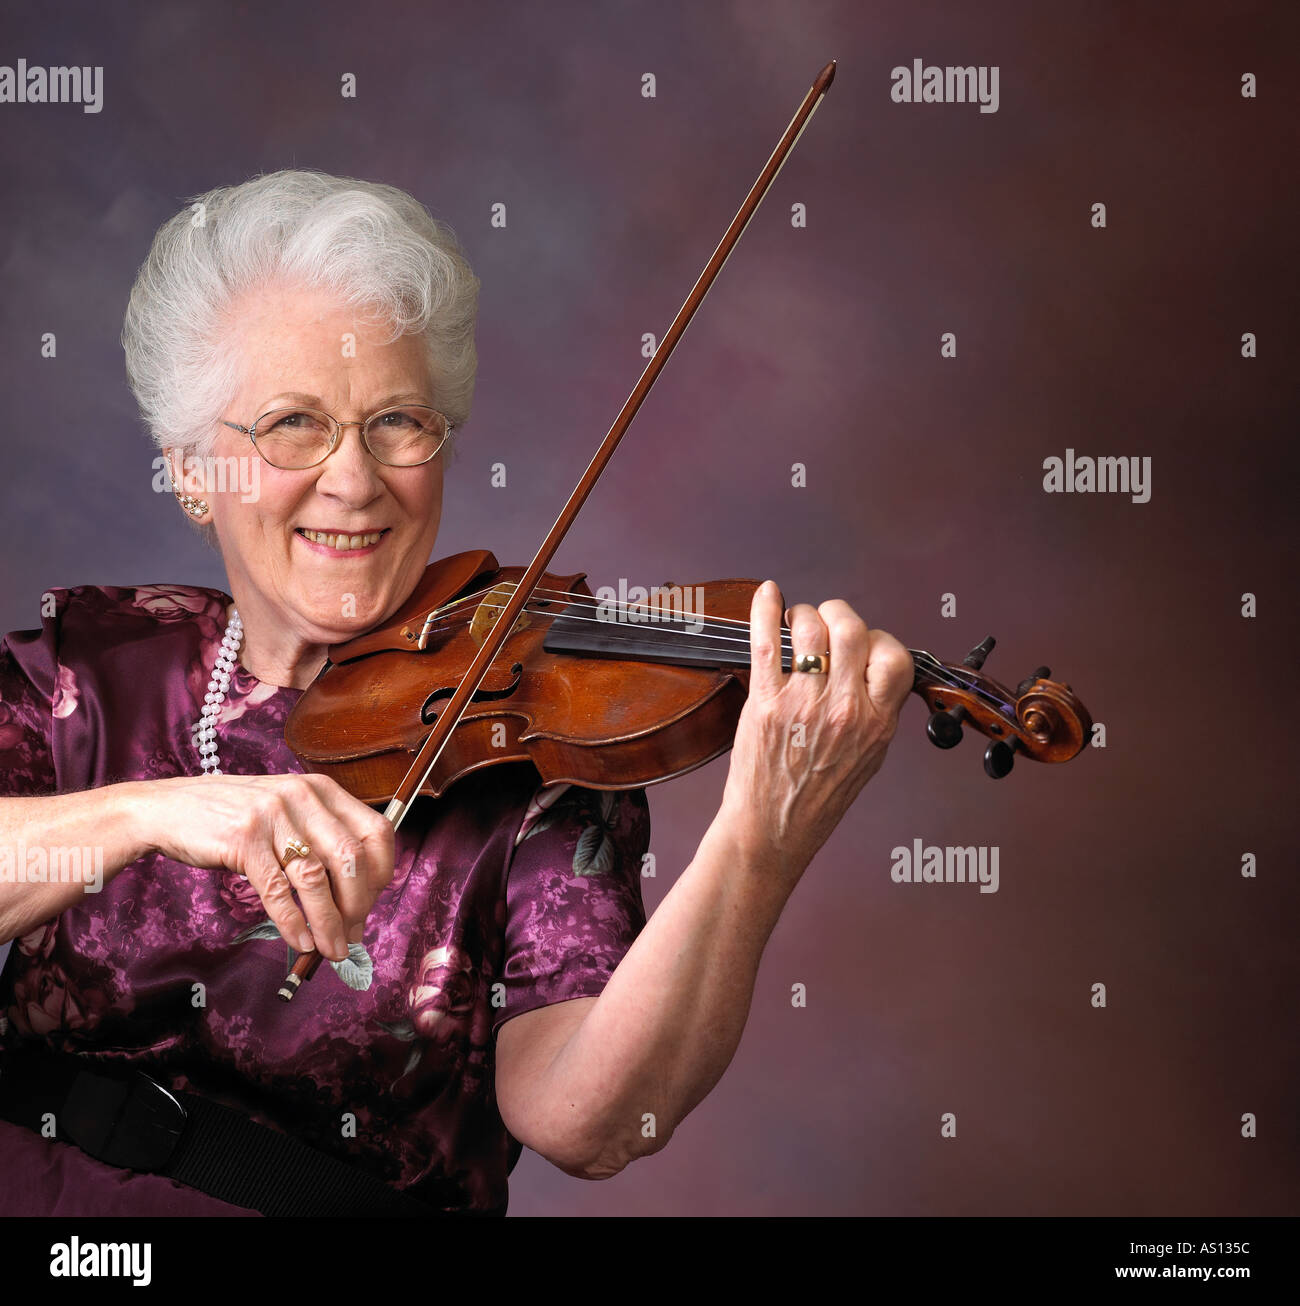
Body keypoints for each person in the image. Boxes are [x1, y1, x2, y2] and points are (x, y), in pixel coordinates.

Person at [0, 170, 913, 1216]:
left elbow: (589, 1121)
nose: (354, 479)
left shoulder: (530, 775)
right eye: (294, 423)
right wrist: (146, 810)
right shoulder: (98, 669)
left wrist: (759, 839)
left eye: (397, 421)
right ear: (194, 472)